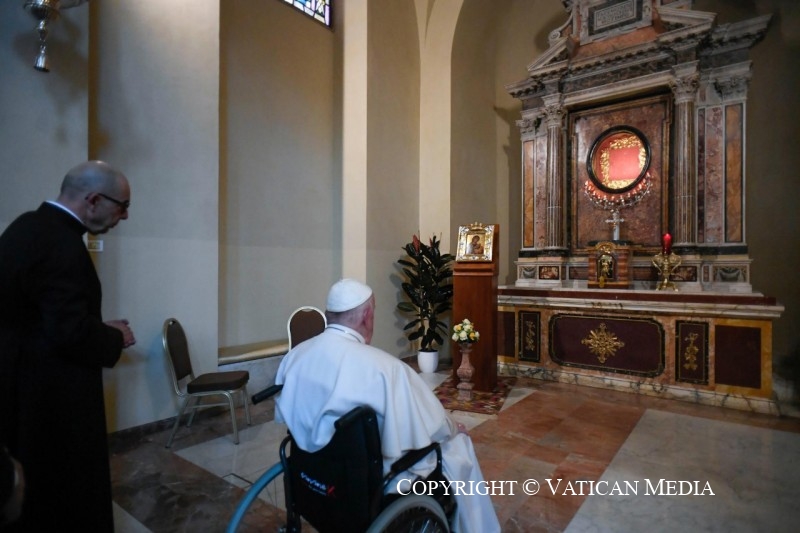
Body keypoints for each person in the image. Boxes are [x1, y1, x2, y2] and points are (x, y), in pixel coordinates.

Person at [275, 279, 500, 533]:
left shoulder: (297, 354)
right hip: (363, 482)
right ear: (366, 316)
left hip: (311, 472)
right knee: (458, 446)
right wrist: (453, 427)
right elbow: (432, 424)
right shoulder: (386, 369)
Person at [0, 161, 136, 531]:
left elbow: (40, 318)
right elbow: (69, 333)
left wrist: (96, 327)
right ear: (93, 200)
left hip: (19, 385)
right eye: (122, 206)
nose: (124, 216)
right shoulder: (61, 244)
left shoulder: (27, 227)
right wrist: (114, 336)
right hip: (50, 403)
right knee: (63, 498)